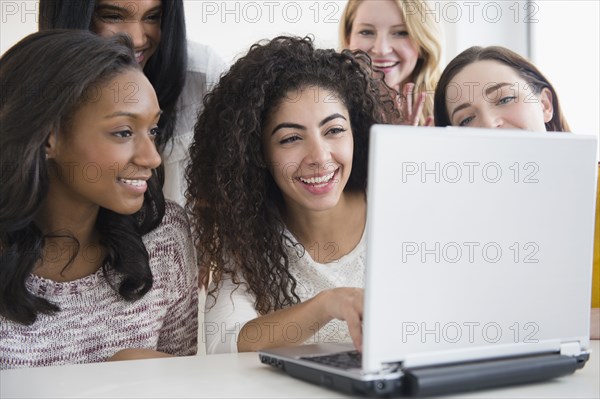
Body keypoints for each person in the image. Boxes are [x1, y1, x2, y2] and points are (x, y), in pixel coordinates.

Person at [0, 30, 198, 369]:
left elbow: (181, 379)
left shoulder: (164, 237)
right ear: (49, 137)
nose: (152, 158)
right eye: (123, 132)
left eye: (152, 130)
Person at [187, 36, 394, 354]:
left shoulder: (394, 209)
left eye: (334, 130)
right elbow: (225, 342)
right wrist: (327, 305)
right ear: (258, 154)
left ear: (357, 132)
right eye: (291, 138)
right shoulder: (250, 233)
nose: (319, 156)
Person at [433, 45, 598, 339]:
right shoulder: (464, 230)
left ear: (545, 105)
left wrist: (574, 324)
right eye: (466, 119)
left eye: (506, 99)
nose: (490, 124)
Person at [39, 0, 227, 207]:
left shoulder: (202, 76)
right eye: (113, 16)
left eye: (152, 17)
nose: (136, 39)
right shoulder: (26, 88)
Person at [339, 0, 442, 125]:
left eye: (401, 33)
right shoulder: (327, 105)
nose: (381, 50)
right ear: (348, 39)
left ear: (422, 42)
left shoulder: (448, 109)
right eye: (366, 32)